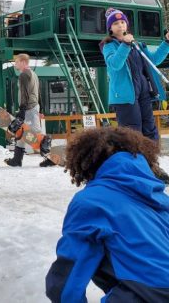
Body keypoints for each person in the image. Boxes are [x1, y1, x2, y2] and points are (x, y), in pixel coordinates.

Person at [46, 126, 169, 302]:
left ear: (86, 161)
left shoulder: (91, 202)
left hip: (143, 295)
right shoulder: (158, 197)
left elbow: (66, 281)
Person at [101, 7, 169, 182]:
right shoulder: (109, 46)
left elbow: (153, 60)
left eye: (122, 22)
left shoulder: (137, 45)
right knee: (132, 133)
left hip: (144, 93)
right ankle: (135, 168)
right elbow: (115, 64)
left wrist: (166, 43)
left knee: (150, 130)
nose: (120, 25)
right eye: (116, 23)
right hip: (125, 97)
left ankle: (152, 165)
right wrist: (124, 44)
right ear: (110, 28)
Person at [4, 53, 46, 167]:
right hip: (33, 106)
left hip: (29, 108)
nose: (15, 64)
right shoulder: (33, 73)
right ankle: (17, 159)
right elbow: (38, 92)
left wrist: (22, 110)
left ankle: (50, 155)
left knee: (35, 132)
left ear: (23, 62)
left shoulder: (23, 75)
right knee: (21, 131)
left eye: (17, 62)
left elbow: (24, 94)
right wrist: (41, 108)